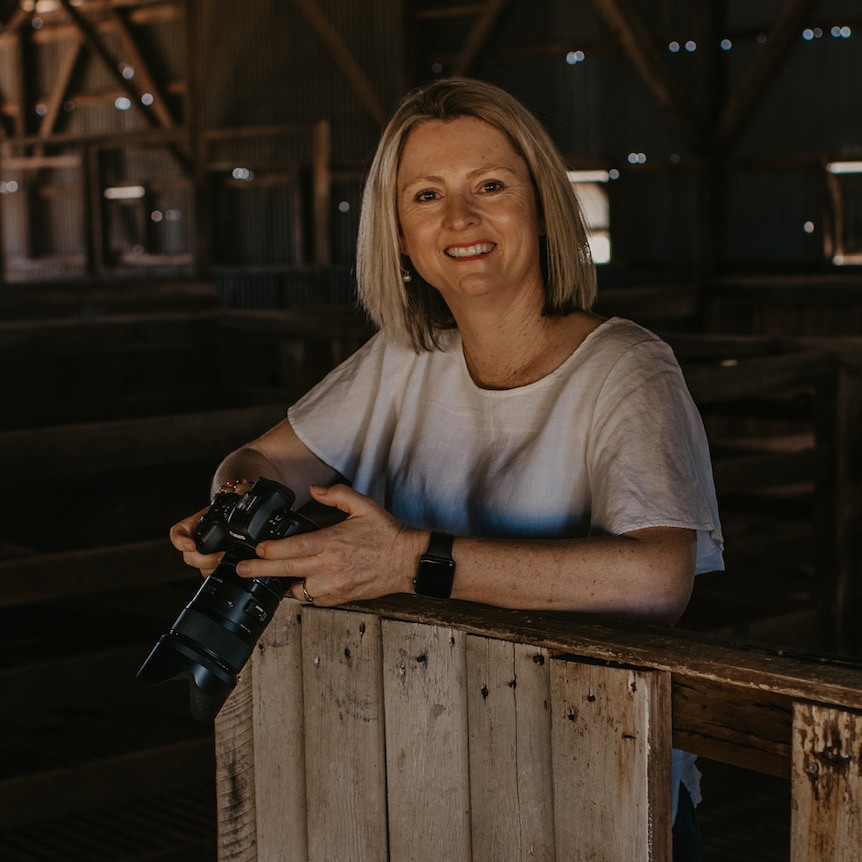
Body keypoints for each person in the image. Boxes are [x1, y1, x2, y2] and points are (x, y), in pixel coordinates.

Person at [171, 77, 722, 860]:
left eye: (489, 186)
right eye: (426, 195)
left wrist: (408, 560)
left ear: (541, 203)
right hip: (425, 770)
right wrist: (238, 504)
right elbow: (268, 456)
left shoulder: (627, 369)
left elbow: (657, 581)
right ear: (398, 232)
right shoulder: (405, 358)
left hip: (591, 780)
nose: (460, 219)